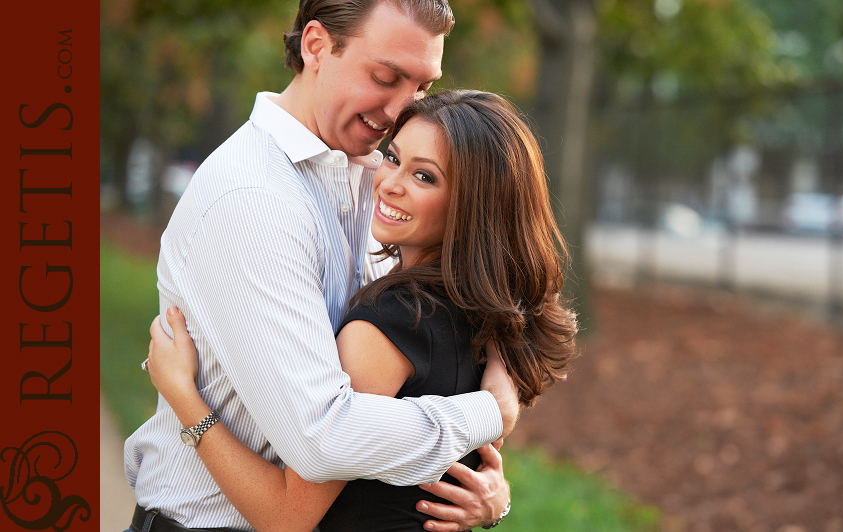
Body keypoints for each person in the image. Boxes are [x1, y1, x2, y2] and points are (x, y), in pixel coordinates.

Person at [123, 2, 520, 531]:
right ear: (315, 46)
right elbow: (321, 439)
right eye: (386, 76)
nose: (404, 108)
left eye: (422, 87)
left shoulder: (378, 180)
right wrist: (489, 411)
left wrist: (486, 488)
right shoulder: (254, 199)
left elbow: (414, 366)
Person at [146, 89, 579, 531]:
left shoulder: (393, 323)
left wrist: (185, 400)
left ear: (472, 205)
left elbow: (286, 516)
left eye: (425, 177)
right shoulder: (486, 321)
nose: (390, 182)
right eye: (393, 158)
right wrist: (496, 501)